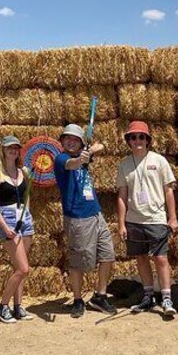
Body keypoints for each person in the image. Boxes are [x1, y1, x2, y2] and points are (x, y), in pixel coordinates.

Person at [116, 121, 178, 316]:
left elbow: (169, 190)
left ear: (147, 140)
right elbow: (121, 195)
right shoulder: (124, 164)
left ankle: (167, 297)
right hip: (134, 220)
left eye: (141, 137)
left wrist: (173, 217)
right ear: (129, 141)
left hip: (156, 218)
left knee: (160, 258)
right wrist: (121, 224)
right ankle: (148, 296)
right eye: (133, 137)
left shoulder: (159, 161)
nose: (138, 141)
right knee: (141, 258)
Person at [54, 123, 117, 318]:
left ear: (81, 143)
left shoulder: (84, 155)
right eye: (68, 139)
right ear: (63, 142)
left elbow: (103, 145)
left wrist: (89, 151)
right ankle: (78, 299)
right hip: (78, 218)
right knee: (78, 262)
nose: (71, 142)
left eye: (75, 139)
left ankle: (100, 295)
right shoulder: (61, 158)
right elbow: (71, 164)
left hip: (96, 213)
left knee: (108, 254)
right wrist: (81, 158)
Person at [0, 135, 35, 323]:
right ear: (3, 150)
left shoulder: (23, 171)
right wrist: (4, 227)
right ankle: (3, 306)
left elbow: (27, 196)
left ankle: (18, 306)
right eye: (10, 148)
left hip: (24, 219)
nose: (13, 151)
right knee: (23, 268)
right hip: (7, 219)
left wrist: (27, 213)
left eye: (16, 148)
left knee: (19, 266)